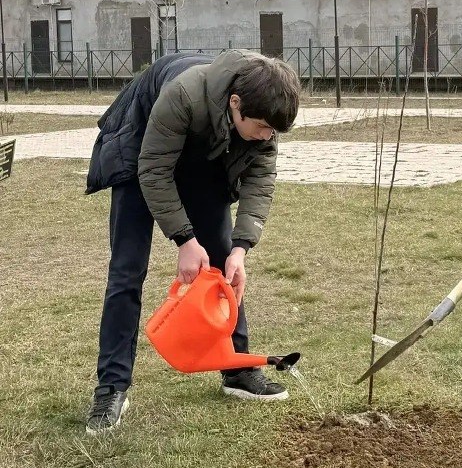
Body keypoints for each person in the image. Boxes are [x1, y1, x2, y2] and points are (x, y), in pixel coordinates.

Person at [84, 49, 301, 434]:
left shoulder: (266, 112)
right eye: (264, 128)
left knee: (224, 266)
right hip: (142, 153)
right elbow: (154, 170)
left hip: (204, 156)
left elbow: (260, 181)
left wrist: (240, 249)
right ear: (236, 104)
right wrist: (184, 239)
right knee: (127, 271)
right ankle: (111, 387)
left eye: (274, 132)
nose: (268, 136)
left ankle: (236, 370)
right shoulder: (184, 95)